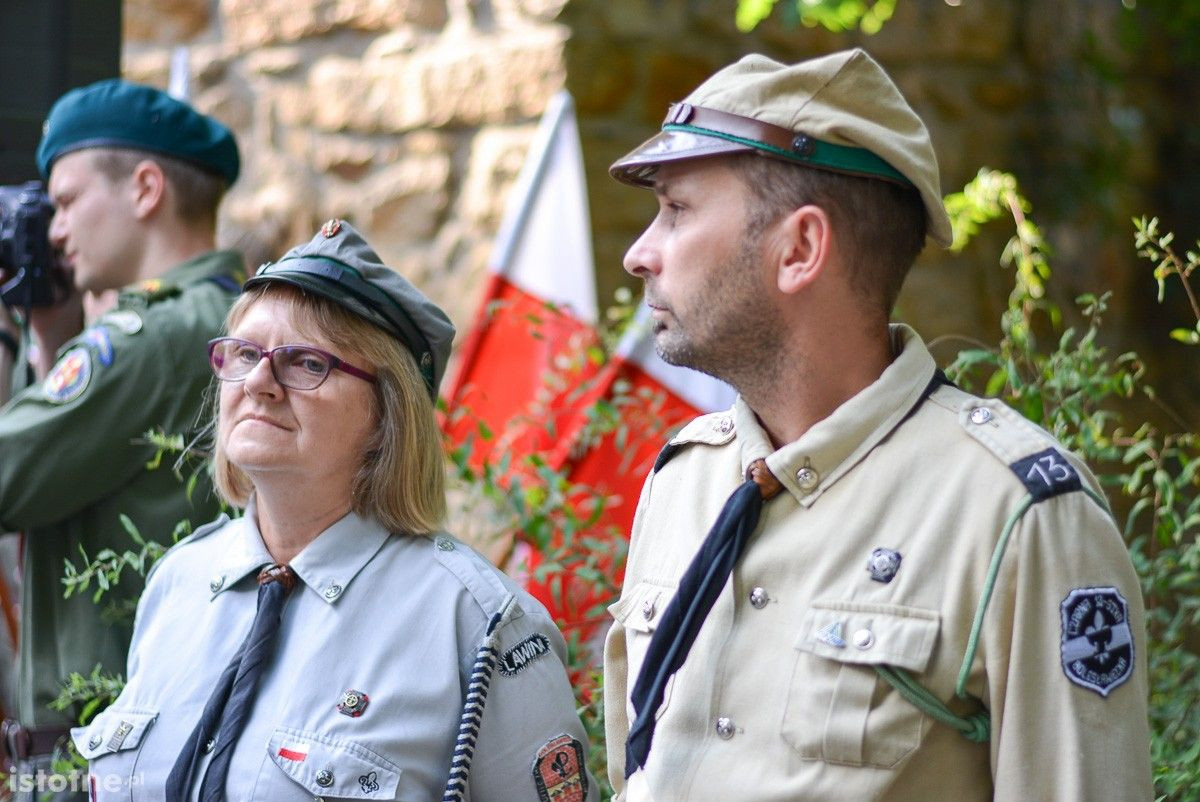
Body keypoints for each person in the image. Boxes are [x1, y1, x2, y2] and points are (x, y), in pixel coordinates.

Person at [602, 48, 1152, 801]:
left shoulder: (1018, 517)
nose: (641, 253)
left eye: (676, 210)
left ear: (798, 248)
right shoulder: (684, 479)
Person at [69, 220, 597, 801]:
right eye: (245, 353)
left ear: (385, 416)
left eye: (305, 363)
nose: (260, 382)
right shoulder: (180, 582)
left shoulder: (478, 625)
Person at [0, 79, 244, 790]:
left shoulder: (150, 335)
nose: (52, 230)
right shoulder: (227, 314)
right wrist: (50, 337)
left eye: (68, 200)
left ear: (144, 189)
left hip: (103, 761)